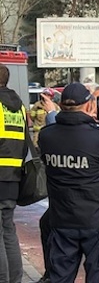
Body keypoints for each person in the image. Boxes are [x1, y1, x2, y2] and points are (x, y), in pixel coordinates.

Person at [38, 82, 99, 283]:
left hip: (63, 222)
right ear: (88, 104)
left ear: (61, 105)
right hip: (97, 222)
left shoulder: (47, 136)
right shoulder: (98, 137)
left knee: (60, 278)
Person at [0, 63, 29, 283]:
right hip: (13, 176)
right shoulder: (18, 106)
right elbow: (26, 143)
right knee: (8, 229)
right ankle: (15, 279)